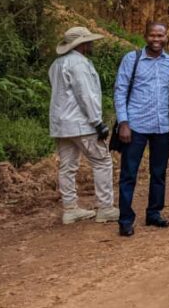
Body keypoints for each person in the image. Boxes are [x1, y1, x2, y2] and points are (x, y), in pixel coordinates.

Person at [49, 26, 118, 225]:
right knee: (102, 161)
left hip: (61, 124)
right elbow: (86, 95)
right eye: (88, 41)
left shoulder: (56, 64)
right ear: (82, 44)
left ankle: (70, 208)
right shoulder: (80, 64)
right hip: (82, 123)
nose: (91, 44)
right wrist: (97, 121)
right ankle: (105, 207)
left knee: (67, 166)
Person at [114, 22, 169, 237]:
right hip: (136, 125)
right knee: (129, 173)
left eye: (160, 35)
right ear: (145, 36)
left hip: (162, 126)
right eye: (152, 35)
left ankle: (154, 213)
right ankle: (125, 219)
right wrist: (123, 122)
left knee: (158, 173)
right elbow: (120, 90)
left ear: (167, 37)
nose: (156, 39)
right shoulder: (132, 59)